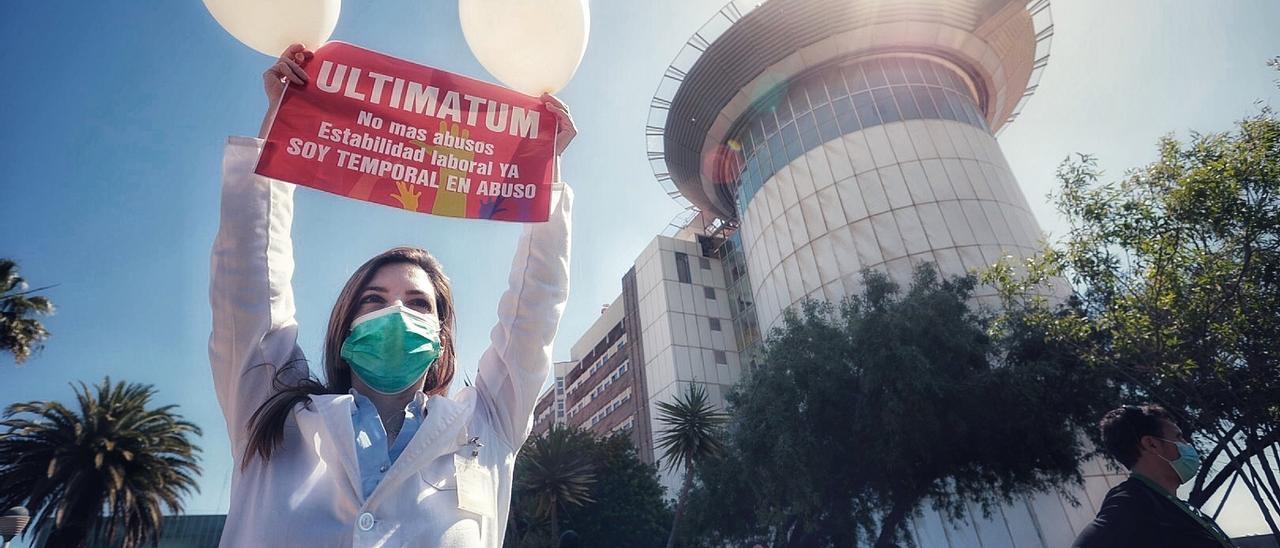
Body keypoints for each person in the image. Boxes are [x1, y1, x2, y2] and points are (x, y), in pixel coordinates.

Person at [209, 44, 577, 547]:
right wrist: (281, 126)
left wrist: (544, 171)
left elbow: (536, 308)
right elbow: (248, 281)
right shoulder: (272, 410)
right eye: (374, 300)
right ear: (344, 327)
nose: (397, 311)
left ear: (442, 337)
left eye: (419, 303)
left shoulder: (486, 425)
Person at [1073, 405, 1235, 548]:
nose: (1187, 443)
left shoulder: (1167, 505)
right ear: (1152, 444)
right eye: (1178, 437)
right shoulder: (1131, 503)